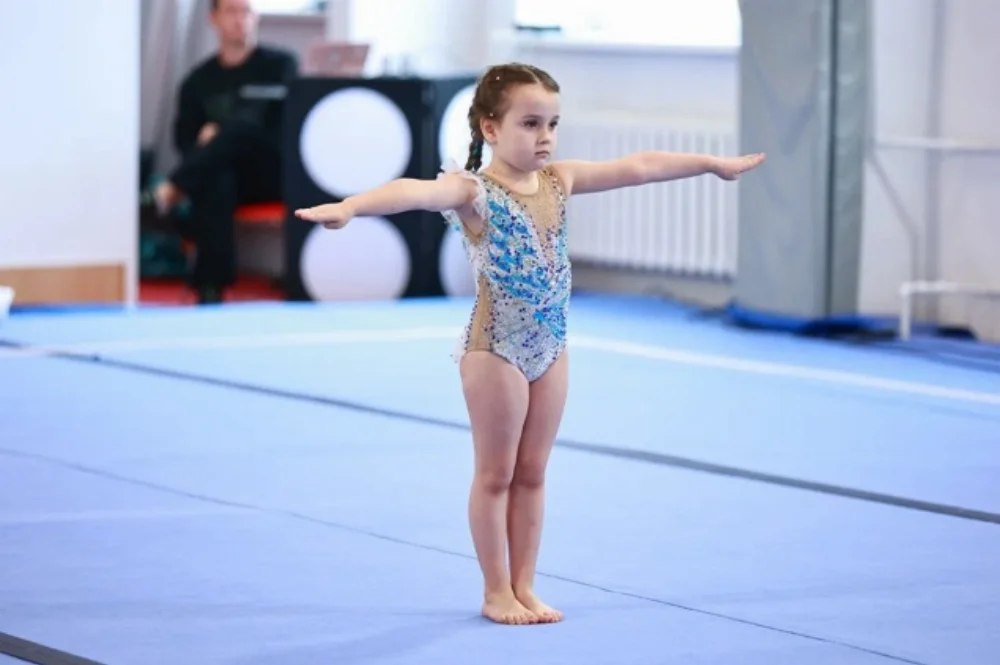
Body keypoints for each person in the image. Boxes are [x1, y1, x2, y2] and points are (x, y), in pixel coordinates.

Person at [294, 63, 765, 625]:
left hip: (552, 345)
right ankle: (495, 590)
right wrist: (351, 206)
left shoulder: (559, 180)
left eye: (553, 124)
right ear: (491, 128)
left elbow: (638, 167)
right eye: (530, 123)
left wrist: (711, 164)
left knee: (534, 473)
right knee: (496, 475)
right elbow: (413, 191)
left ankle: (525, 586)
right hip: (495, 349)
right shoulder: (473, 191)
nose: (545, 137)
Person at [152, 0, 298, 304]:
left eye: (247, 11)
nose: (240, 19)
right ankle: (211, 288)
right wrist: (210, 142)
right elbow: (185, 141)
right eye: (232, 11)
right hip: (224, 175)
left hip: (271, 171)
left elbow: (281, 129)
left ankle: (175, 185)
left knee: (242, 128)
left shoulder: (281, 66)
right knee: (216, 176)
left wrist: (220, 134)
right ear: (213, 18)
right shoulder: (197, 81)